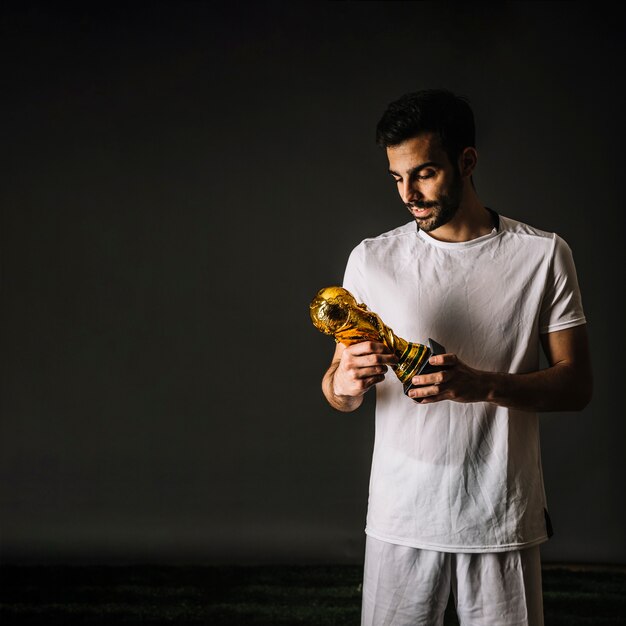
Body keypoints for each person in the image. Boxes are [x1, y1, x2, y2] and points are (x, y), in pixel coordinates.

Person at [321, 89, 592, 626]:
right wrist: (345, 385)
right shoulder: (372, 258)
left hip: (502, 519)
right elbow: (335, 385)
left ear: (466, 162)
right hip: (400, 517)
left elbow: (577, 386)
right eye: (397, 178)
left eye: (424, 173)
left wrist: (484, 385)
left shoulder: (543, 255)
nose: (409, 194)